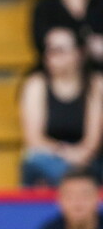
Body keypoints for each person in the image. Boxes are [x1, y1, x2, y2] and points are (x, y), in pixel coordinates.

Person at [19, 27, 103, 186]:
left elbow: (93, 141)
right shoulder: (36, 84)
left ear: (79, 52)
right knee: (40, 162)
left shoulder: (96, 84)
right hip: (49, 157)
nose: (52, 56)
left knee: (84, 173)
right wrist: (64, 153)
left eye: (59, 50)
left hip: (87, 158)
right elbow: (33, 139)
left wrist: (80, 155)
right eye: (49, 50)